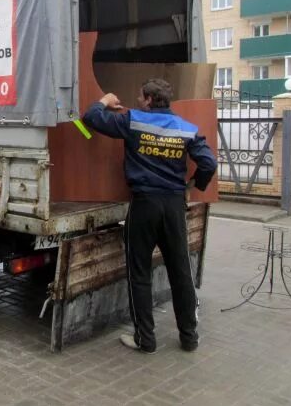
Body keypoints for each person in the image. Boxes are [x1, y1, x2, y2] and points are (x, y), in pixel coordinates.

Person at [83, 78, 217, 354]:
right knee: (180, 272)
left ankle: (146, 339)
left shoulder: (134, 121)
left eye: (140, 97)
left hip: (144, 205)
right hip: (173, 206)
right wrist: (195, 186)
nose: (137, 101)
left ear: (148, 100)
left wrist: (105, 102)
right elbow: (209, 162)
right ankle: (189, 338)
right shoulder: (186, 129)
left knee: (139, 272)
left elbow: (91, 118)